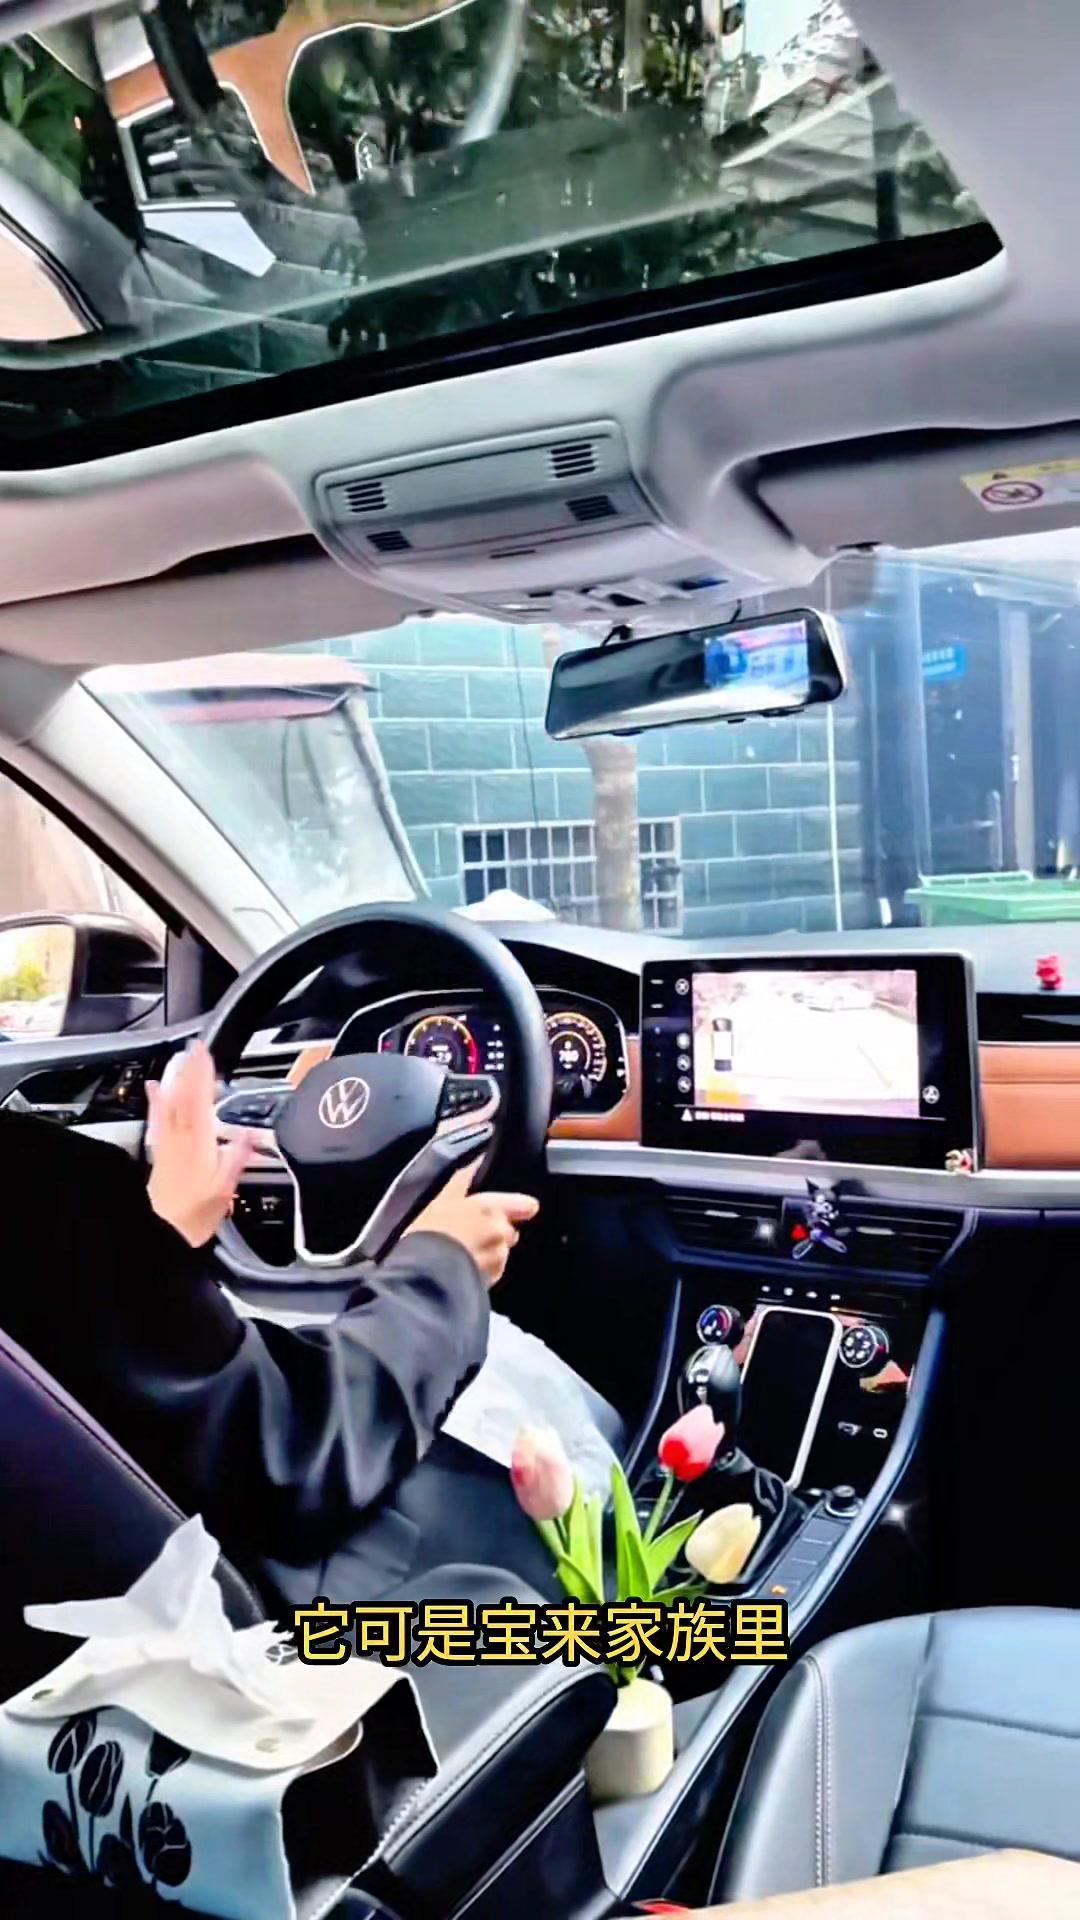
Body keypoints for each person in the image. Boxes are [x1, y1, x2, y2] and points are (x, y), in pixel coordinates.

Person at [0, 1042, 538, 1595]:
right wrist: (442, 1266)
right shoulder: (38, 1183)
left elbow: (89, 1344)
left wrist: (157, 1246)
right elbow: (293, 1460)